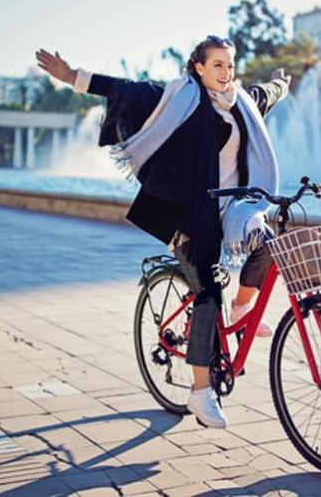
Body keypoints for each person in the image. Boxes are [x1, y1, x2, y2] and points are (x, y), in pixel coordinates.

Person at [36, 36, 290, 428]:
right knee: (207, 293)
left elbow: (264, 94)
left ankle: (243, 306)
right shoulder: (181, 99)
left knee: (269, 242)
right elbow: (125, 90)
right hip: (188, 213)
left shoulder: (239, 102)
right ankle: (201, 393)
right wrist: (71, 76)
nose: (226, 73)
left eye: (230, 65)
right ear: (199, 68)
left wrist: (281, 84)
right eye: (217, 65)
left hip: (230, 208)